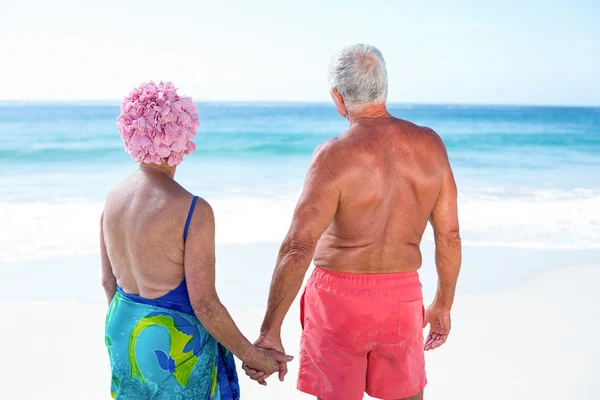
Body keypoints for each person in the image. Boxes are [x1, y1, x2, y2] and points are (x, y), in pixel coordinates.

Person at [243, 44, 462, 400]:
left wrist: (269, 332)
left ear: (338, 97)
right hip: (402, 298)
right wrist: (443, 304)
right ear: (384, 87)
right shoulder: (431, 145)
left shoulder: (333, 155)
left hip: (338, 301)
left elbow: (298, 248)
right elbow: (449, 236)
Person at [101, 81, 292, 400]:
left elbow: (108, 282)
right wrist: (253, 356)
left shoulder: (112, 198)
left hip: (122, 329)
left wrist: (129, 333)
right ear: (182, 134)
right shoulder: (193, 210)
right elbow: (204, 303)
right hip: (174, 343)